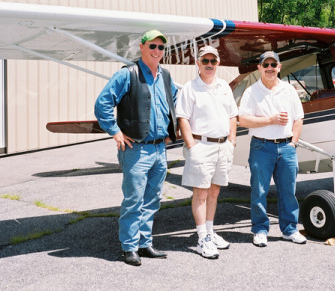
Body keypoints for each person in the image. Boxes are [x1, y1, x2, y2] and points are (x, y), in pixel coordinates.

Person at [94, 30, 178, 266]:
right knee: (134, 200)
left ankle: (144, 243)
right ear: (141, 47)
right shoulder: (127, 74)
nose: (157, 51)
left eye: (161, 47)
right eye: (152, 46)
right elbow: (103, 103)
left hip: (160, 149)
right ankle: (129, 247)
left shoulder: (166, 76)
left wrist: (172, 130)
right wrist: (115, 131)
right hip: (137, 150)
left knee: (153, 198)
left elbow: (175, 102)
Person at [238, 51, 306, 247]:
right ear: (259, 68)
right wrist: (271, 120)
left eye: (273, 64)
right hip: (261, 146)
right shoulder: (252, 91)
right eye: (265, 64)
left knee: (288, 191)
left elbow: (298, 118)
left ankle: (290, 230)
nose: (269, 68)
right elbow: (242, 119)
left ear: (279, 67)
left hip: (286, 147)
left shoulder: (289, 90)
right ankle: (260, 230)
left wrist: (293, 142)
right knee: (259, 191)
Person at [176, 46, 238, 259]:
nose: (209, 64)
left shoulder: (223, 86)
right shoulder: (189, 88)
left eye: (213, 60)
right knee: (200, 193)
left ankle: (210, 232)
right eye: (205, 61)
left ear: (218, 63)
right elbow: (182, 117)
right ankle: (202, 237)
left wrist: (232, 141)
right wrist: (192, 146)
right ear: (198, 63)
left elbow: (232, 115)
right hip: (201, 146)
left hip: (223, 146)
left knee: (214, 192)